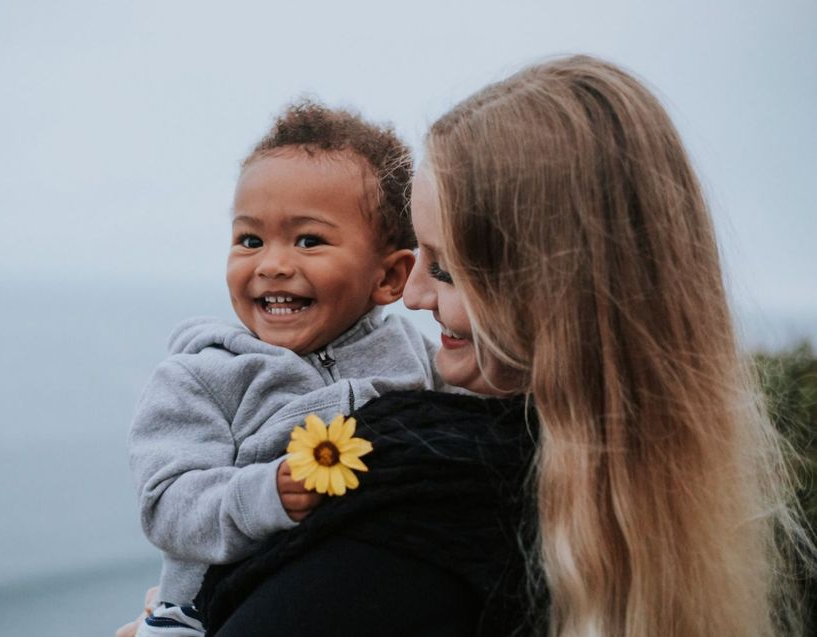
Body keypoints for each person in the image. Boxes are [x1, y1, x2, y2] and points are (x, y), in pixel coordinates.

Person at [195, 55, 812, 636]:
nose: (409, 296)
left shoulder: (423, 501)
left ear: (550, 293)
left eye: (444, 270)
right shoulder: (658, 511)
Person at [124, 99, 442, 637]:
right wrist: (263, 493)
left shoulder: (417, 358)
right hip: (200, 618)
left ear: (390, 276)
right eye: (250, 240)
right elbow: (167, 503)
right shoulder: (202, 376)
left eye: (308, 240)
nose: (271, 264)